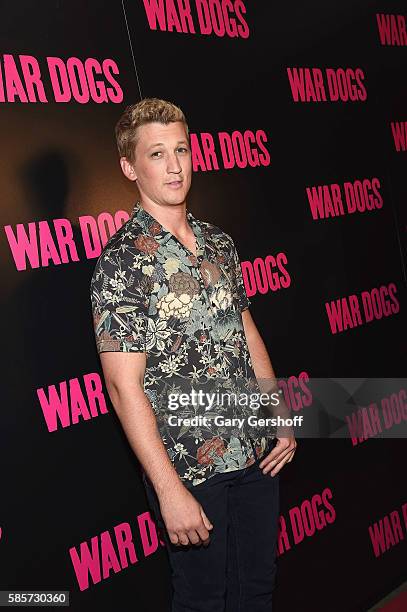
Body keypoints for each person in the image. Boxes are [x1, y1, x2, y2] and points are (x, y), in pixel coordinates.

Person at [90, 97, 297, 611]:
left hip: (255, 452)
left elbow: (245, 331)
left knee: (257, 590)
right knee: (204, 600)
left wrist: (281, 414)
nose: (175, 165)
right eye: (156, 154)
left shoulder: (218, 243)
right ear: (128, 167)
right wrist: (168, 489)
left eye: (180, 149)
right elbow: (122, 386)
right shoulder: (122, 263)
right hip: (189, 468)